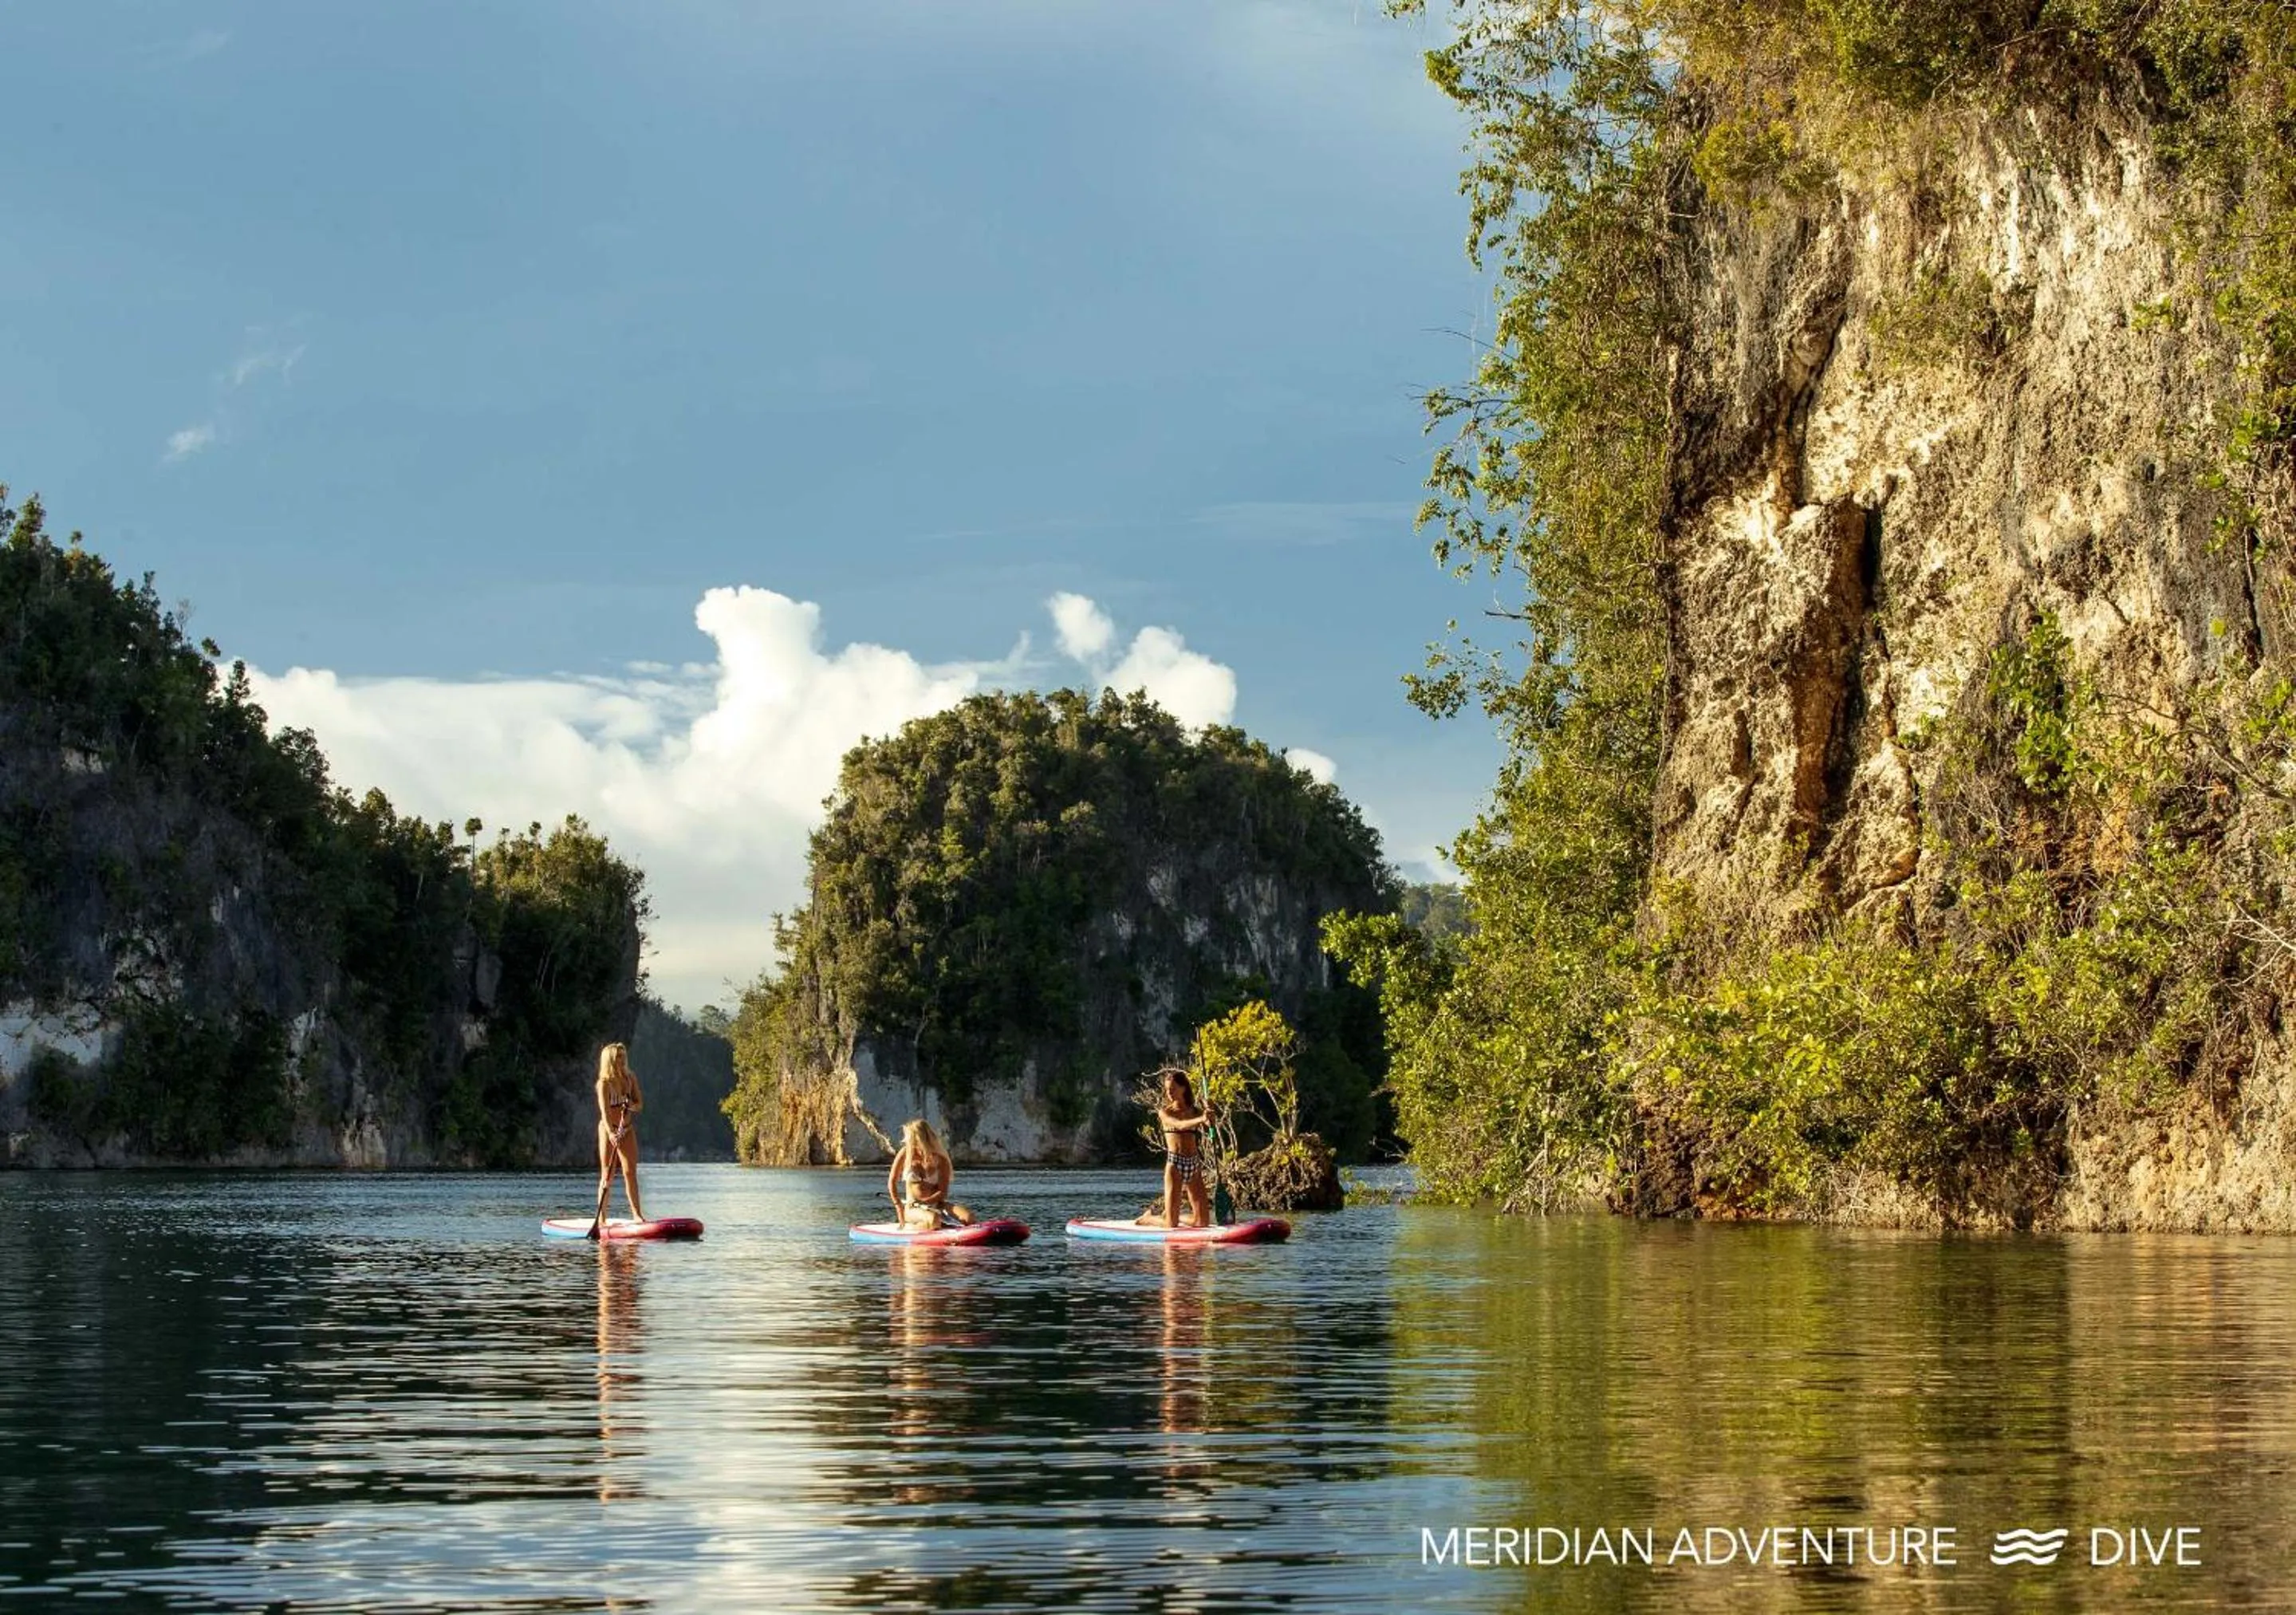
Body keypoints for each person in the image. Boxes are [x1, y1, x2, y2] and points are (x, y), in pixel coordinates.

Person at [588, 1042, 645, 1239]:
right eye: (617, 1057)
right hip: (608, 1130)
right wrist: (611, 1134)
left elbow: (639, 1105)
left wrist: (631, 1106)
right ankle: (602, 1218)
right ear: (610, 1060)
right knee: (608, 1174)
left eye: (623, 1056)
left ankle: (637, 1215)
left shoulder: (630, 1078)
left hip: (627, 1130)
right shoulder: (603, 1084)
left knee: (630, 1172)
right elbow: (604, 1113)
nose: (621, 1060)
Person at [888, 1119, 974, 1230]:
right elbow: (892, 1181)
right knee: (934, 1219)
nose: (908, 1141)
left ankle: (941, 1225)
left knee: (969, 1217)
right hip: (913, 1207)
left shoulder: (941, 1160)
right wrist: (898, 1206)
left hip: (937, 1205)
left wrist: (926, 1201)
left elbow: (942, 1192)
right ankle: (912, 1227)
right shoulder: (905, 1153)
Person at [1156, 1069, 1214, 1230]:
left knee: (1203, 1222)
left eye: (1173, 1089)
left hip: (1194, 1164)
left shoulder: (1195, 1111)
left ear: (1183, 1089)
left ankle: (1177, 1217)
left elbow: (1211, 1128)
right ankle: (1149, 1220)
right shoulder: (1165, 1112)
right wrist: (1202, 1119)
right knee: (1171, 1225)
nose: (1169, 1093)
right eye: (1167, 1090)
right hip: (1175, 1165)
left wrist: (1210, 1116)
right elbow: (1179, 1125)